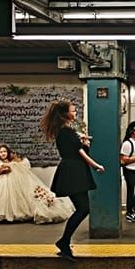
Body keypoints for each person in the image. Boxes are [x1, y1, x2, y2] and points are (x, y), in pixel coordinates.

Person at [41, 100, 105, 260]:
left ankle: (64, 241)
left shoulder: (65, 131)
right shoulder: (66, 132)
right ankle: (64, 241)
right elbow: (81, 154)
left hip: (73, 171)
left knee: (83, 208)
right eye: (73, 110)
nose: (75, 113)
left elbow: (79, 150)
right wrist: (96, 165)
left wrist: (84, 143)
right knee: (83, 208)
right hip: (73, 172)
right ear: (65, 114)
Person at [0, 144, 74, 224]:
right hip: (1, 184)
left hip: (13, 184)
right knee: (2, 199)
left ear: (8, 152)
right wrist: (1, 169)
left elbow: (23, 166)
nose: (3, 153)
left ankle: (14, 214)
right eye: (1, 152)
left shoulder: (14, 162)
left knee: (16, 198)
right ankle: (2, 214)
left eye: (5, 151)